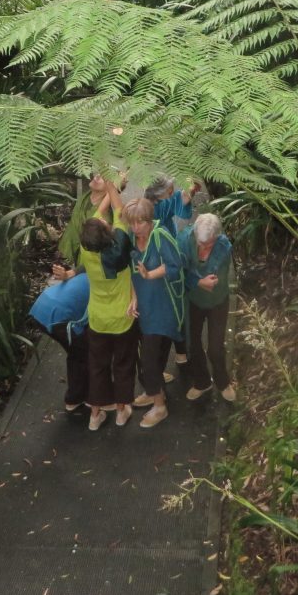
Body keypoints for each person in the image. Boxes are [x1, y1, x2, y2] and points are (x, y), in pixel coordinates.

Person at [69, 180, 138, 430]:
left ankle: (95, 416)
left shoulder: (87, 251)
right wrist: (112, 184)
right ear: (107, 231)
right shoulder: (118, 246)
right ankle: (121, 412)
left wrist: (111, 186)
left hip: (97, 320)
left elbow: (99, 214)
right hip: (122, 318)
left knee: (97, 367)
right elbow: (118, 211)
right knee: (123, 365)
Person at [124, 197, 183, 428]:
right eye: (132, 223)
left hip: (162, 307)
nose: (136, 227)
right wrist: (134, 297)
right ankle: (154, 391)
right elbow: (133, 270)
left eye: (140, 222)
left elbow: (174, 265)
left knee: (148, 360)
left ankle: (160, 407)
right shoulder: (132, 238)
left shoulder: (160, 237)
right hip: (145, 306)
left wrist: (150, 275)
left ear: (150, 221)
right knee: (152, 358)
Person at [144, 175, 201, 371]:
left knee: (175, 302)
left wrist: (190, 192)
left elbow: (181, 200)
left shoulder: (158, 203)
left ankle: (180, 352)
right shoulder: (153, 210)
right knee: (175, 303)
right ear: (158, 197)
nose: (173, 192)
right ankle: (176, 353)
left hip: (166, 254)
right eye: (169, 191)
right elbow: (181, 203)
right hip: (162, 257)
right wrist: (187, 193)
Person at [178, 213, 235, 402]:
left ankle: (223, 382)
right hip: (193, 299)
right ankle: (202, 382)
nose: (203, 248)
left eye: (208, 244)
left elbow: (217, 280)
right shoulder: (184, 240)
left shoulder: (223, 247)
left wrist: (201, 280)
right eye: (200, 243)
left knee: (216, 348)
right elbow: (177, 270)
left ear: (217, 238)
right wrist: (197, 281)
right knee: (192, 344)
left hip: (217, 300)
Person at [27, 273, 90, 411]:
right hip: (58, 316)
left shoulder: (86, 272)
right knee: (83, 354)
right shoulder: (104, 285)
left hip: (41, 308)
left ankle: (78, 395)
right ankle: (76, 399)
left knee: (76, 351)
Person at [58, 173, 116, 268]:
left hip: (85, 265)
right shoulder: (88, 196)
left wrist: (116, 187)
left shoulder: (104, 217)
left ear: (109, 188)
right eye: (99, 173)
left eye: (103, 178)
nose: (97, 176)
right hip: (68, 253)